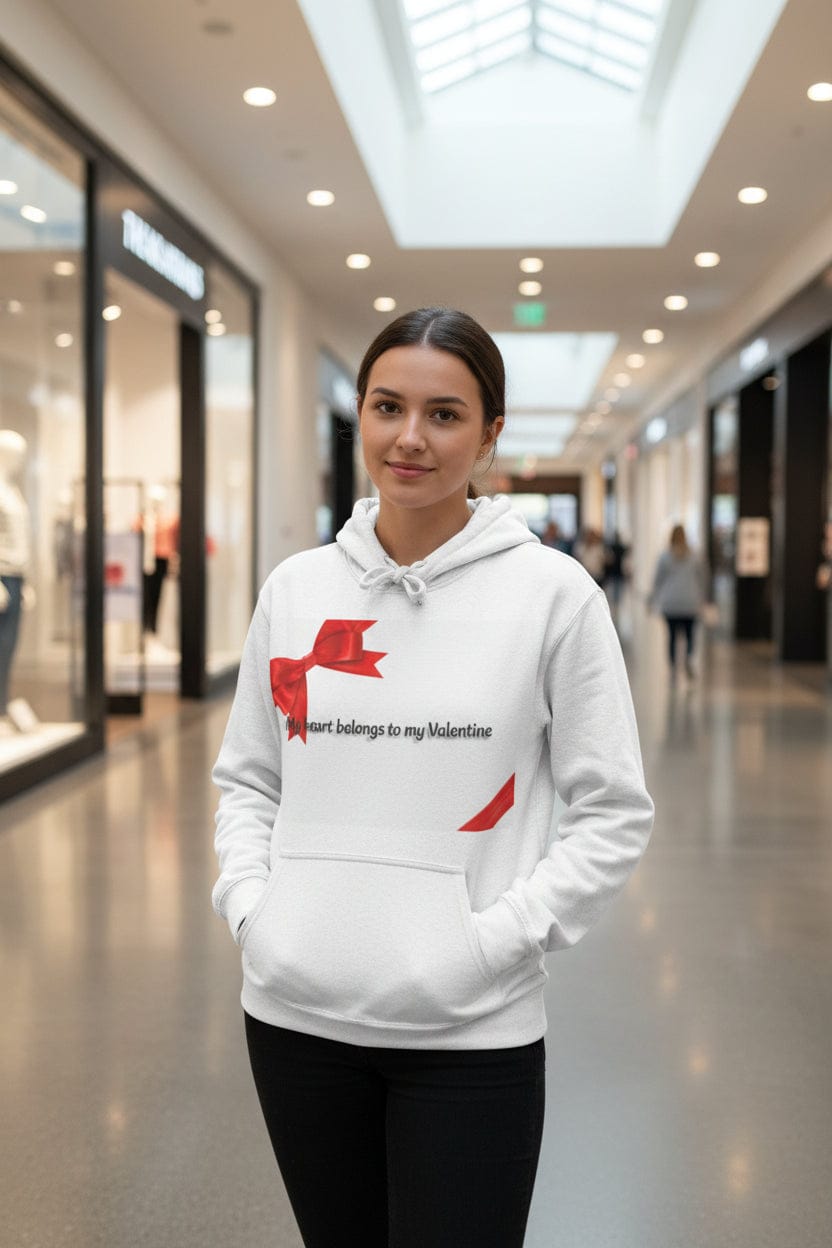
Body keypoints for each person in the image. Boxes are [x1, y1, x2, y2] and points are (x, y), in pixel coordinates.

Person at [211, 307, 654, 1248]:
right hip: (294, 1020)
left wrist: (499, 942)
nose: (410, 437)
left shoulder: (554, 598)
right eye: (387, 407)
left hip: (470, 1035)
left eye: (444, 414)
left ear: (490, 435)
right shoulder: (295, 590)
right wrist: (254, 911)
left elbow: (613, 810)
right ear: (361, 417)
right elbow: (249, 779)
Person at [649, 523, 704, 680]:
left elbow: (658, 580)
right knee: (690, 635)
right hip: (690, 602)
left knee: (672, 637)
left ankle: (673, 666)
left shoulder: (664, 557)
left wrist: (651, 599)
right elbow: (702, 578)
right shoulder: (695, 556)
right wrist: (704, 598)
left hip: (671, 603)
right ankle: (688, 657)